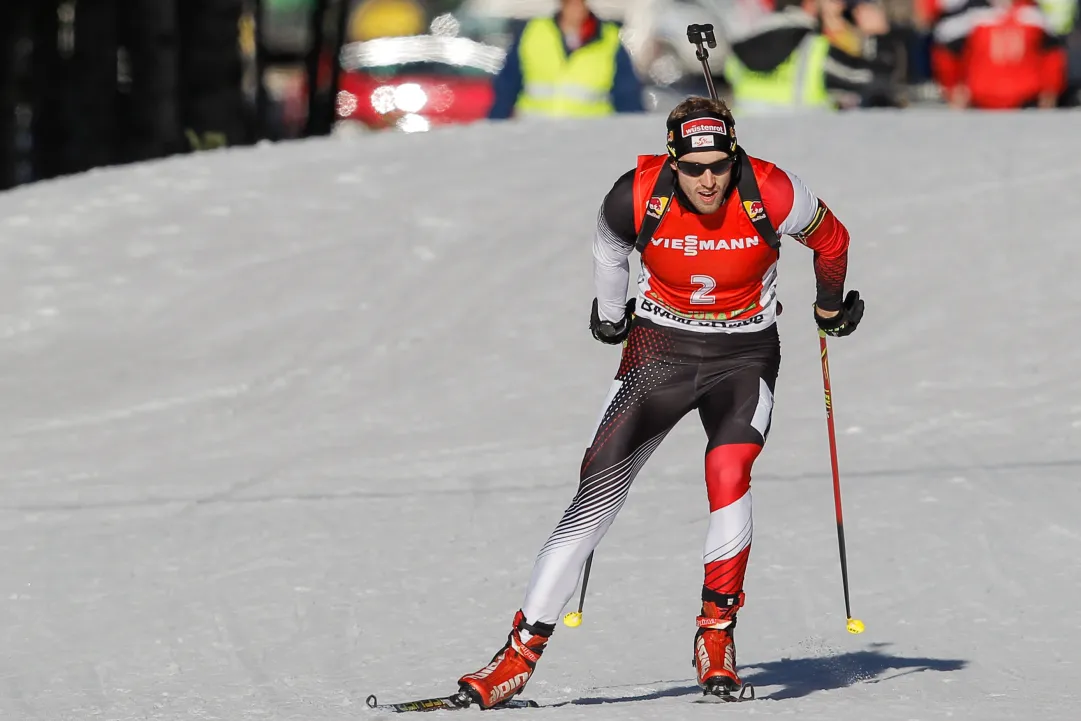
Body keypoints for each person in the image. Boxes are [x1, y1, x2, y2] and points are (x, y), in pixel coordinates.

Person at [455, 95, 864, 708]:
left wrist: (829, 308)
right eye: (694, 168)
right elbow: (608, 240)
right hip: (658, 352)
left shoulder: (773, 190)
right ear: (673, 161)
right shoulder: (638, 191)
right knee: (594, 492)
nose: (708, 180)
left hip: (744, 358)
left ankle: (716, 637)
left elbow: (832, 240)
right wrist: (612, 311)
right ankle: (516, 657)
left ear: (734, 156)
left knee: (729, 471)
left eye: (719, 166)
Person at [724, 0, 899, 113]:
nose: (840, 6)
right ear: (810, 3)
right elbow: (876, 80)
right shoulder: (813, 49)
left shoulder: (743, 43)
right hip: (804, 145)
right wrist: (879, 36)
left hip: (752, 151)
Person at [486, 0, 644, 119]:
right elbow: (507, 85)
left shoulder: (609, 40)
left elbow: (627, 95)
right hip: (534, 134)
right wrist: (495, 125)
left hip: (590, 138)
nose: (575, 7)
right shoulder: (533, 32)